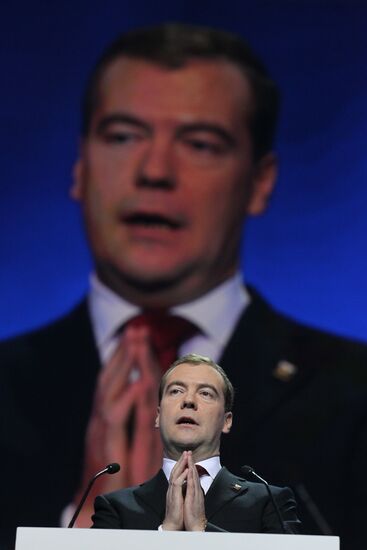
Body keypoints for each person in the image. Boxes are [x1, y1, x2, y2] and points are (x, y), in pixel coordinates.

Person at [0, 22, 366, 550]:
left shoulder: (354, 400)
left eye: (200, 143)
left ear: (260, 181)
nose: (154, 170)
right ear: (80, 166)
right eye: (124, 136)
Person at [92, 353, 300, 533]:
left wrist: (202, 530)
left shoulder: (269, 502)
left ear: (226, 421)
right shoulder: (116, 508)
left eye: (205, 393)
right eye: (176, 391)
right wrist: (166, 533)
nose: (188, 400)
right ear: (157, 416)